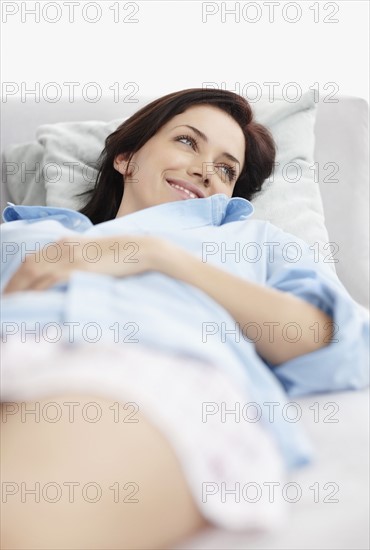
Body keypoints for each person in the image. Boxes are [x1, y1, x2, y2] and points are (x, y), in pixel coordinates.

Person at [1, 88, 369, 549]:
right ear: (126, 157)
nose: (204, 170)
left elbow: (329, 342)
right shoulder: (22, 231)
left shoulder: (248, 242)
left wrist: (158, 256)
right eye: (188, 142)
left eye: (226, 169)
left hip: (139, 363)